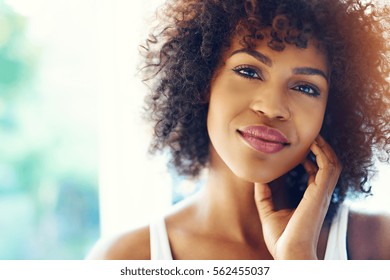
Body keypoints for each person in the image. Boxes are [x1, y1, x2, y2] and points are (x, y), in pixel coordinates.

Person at [87, 0, 390, 260]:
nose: (272, 107)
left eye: (305, 87)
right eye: (249, 71)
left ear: (331, 109)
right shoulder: (125, 258)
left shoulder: (378, 245)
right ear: (204, 79)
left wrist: (299, 260)